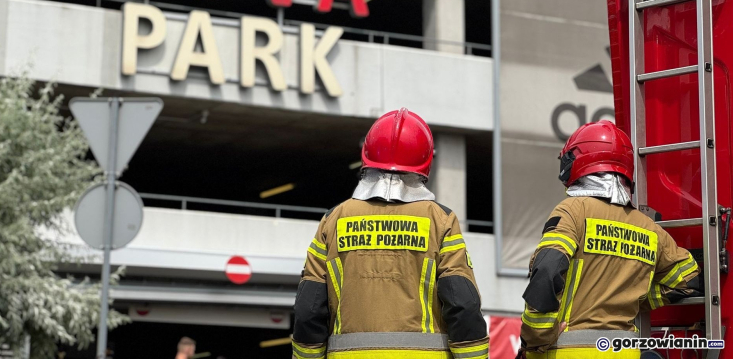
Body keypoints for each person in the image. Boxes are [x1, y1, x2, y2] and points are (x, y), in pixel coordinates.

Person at [292, 108, 489, 359]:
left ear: (367, 157)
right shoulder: (440, 220)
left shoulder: (334, 220)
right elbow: (463, 304)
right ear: (425, 162)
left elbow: (309, 309)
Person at [516, 121, 702, 359]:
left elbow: (547, 269)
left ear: (578, 162)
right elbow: (689, 278)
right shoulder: (648, 228)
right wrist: (636, 297)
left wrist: (537, 338)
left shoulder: (573, 210)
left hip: (565, 351)